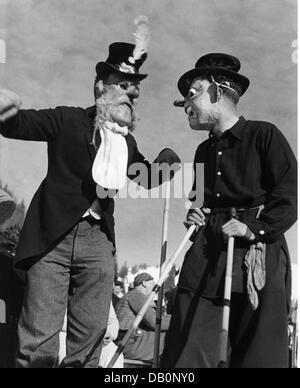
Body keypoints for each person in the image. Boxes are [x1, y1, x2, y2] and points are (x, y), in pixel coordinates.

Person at [0, 39, 180, 368]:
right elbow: (23, 124)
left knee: (91, 339)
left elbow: (147, 177)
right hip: (51, 237)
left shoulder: (128, 143)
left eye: (135, 88)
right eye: (123, 85)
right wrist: (5, 113)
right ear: (101, 87)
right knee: (39, 339)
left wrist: (169, 159)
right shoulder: (67, 120)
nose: (132, 93)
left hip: (98, 242)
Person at [161, 53, 297, 368]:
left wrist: (253, 229)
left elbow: (288, 197)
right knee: (189, 340)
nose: (186, 104)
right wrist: (196, 215)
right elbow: (199, 201)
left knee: (258, 350)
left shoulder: (264, 135)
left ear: (218, 92)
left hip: (256, 249)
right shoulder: (203, 151)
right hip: (208, 250)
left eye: (192, 93)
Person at [115, 272, 170, 364]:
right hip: (129, 344)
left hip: (127, 342)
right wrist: (178, 320)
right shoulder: (136, 295)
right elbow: (154, 321)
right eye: (153, 284)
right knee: (171, 336)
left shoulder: (130, 295)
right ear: (144, 283)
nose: (155, 287)